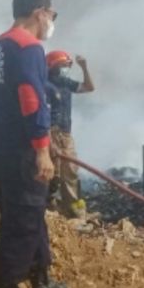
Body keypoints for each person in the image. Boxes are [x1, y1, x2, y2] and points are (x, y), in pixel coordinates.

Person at [0, 0, 67, 288]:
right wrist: (42, 150)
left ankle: (42, 283)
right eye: (53, 15)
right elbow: (31, 99)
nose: (52, 23)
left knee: (30, 217)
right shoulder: (28, 48)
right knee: (21, 223)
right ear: (39, 12)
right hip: (21, 153)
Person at [45, 51, 95, 218]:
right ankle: (47, 205)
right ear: (52, 67)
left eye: (67, 66)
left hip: (66, 134)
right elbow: (43, 116)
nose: (66, 69)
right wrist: (49, 142)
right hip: (51, 133)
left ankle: (71, 208)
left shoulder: (66, 84)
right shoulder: (45, 86)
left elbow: (89, 88)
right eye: (63, 66)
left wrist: (84, 67)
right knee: (52, 172)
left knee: (71, 170)